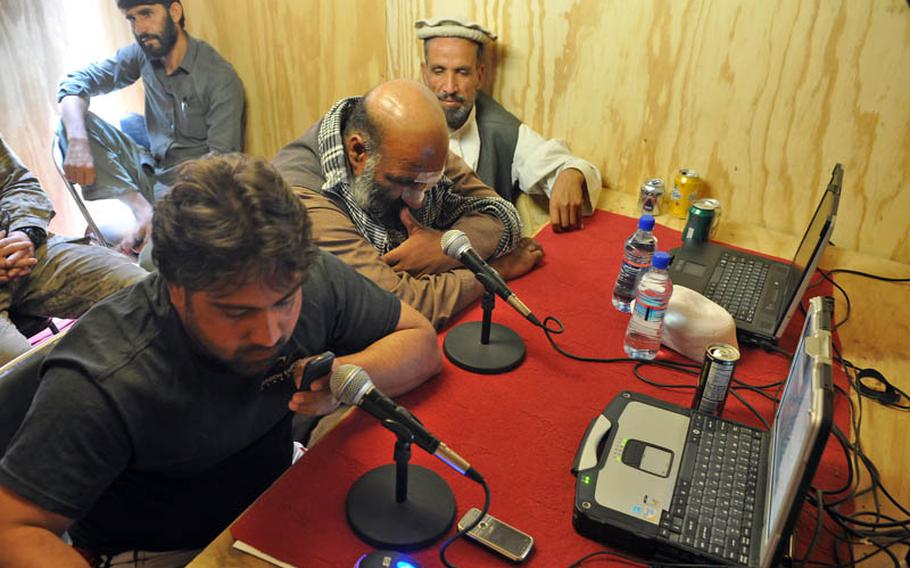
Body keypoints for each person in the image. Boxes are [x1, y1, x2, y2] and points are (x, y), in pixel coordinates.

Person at [0, 153, 441, 566]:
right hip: (160, 551)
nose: (271, 334)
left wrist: (346, 377)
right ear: (175, 288)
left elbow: (419, 340)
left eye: (285, 303)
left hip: (271, 496)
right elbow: (13, 528)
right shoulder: (103, 377)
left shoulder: (304, 274)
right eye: (237, 313)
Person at [273, 79, 544, 330]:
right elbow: (398, 306)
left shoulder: (411, 148)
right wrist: (492, 272)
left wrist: (444, 248)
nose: (419, 199)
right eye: (405, 182)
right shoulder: (299, 199)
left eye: (428, 183)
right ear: (358, 152)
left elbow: (500, 213)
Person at [57, 0, 244, 256]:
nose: (140, 28)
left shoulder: (219, 77)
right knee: (73, 122)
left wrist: (169, 211)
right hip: (151, 171)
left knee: (152, 261)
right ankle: (143, 212)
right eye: (132, 19)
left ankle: (150, 227)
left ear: (175, 12)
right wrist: (78, 141)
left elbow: (224, 164)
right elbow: (74, 84)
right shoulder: (142, 54)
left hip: (192, 191)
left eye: (147, 14)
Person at [416, 17, 603, 233]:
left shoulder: (504, 130)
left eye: (462, 72)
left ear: (480, 75)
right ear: (424, 73)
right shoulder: (396, 119)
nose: (449, 87)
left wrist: (572, 172)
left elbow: (556, 163)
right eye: (439, 71)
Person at [0, 134, 147, 365]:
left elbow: (16, 183)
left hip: (22, 252)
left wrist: (24, 232)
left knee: (143, 291)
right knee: (19, 375)